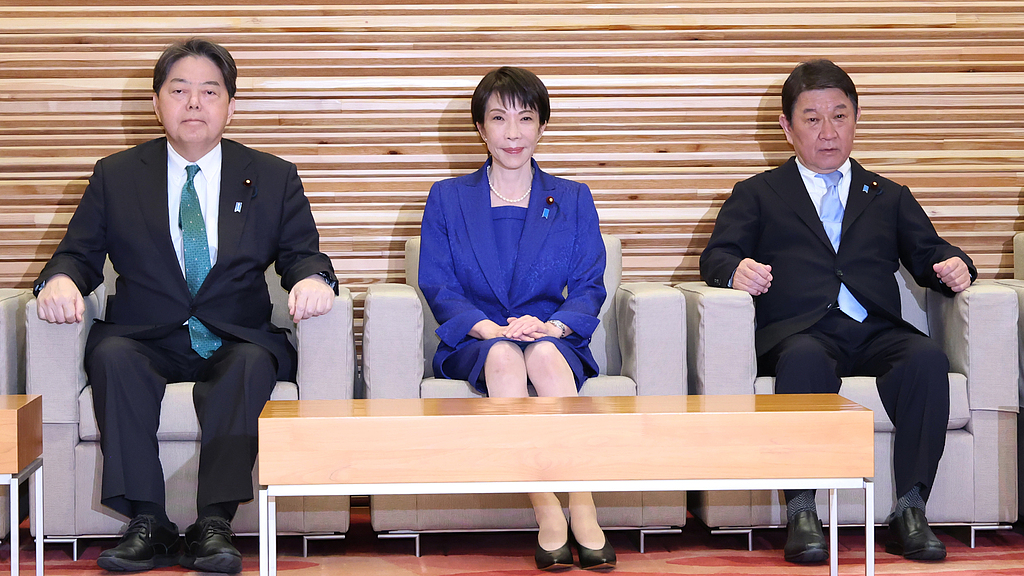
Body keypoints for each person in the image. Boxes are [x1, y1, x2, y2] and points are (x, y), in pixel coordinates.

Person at [33, 39, 338, 573]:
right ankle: (147, 522)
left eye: (208, 92)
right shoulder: (116, 175)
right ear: (158, 104)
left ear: (230, 106)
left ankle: (214, 524)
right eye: (179, 91)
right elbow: (77, 255)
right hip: (147, 334)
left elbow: (302, 254)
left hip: (235, 334)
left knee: (250, 363)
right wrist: (59, 280)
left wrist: (315, 278)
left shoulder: (272, 175)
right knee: (112, 358)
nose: (193, 104)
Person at [700, 59, 973, 564]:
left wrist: (955, 265)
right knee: (802, 360)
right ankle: (803, 510)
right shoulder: (758, 193)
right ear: (787, 127)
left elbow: (928, 251)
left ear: (856, 118)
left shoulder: (887, 194)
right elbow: (716, 255)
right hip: (802, 330)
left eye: (839, 116)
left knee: (927, 360)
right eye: (812, 119)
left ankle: (911, 509)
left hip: (874, 330)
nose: (828, 132)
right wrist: (734, 270)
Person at [417, 67, 614, 571]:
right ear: (480, 128)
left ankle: (583, 503)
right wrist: (486, 328)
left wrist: (554, 327)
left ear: (541, 126)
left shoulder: (573, 197)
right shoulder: (447, 197)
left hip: (552, 332)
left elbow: (591, 283)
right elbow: (438, 282)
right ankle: (548, 508)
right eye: (499, 118)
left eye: (525, 118)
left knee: (545, 357)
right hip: (478, 335)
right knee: (504, 358)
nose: (512, 132)